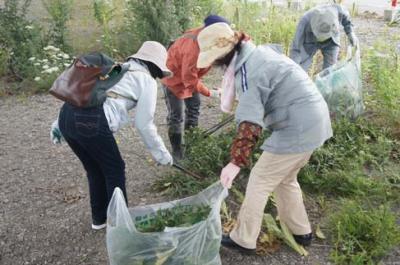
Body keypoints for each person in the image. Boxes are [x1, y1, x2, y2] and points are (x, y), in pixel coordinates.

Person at [196, 23, 333, 254]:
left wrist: (235, 162)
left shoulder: (249, 71)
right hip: (315, 120)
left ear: (222, 55)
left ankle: (243, 239)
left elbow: (250, 122)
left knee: (259, 180)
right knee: (285, 179)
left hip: (297, 127)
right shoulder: (258, 53)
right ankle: (301, 231)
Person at [50, 41, 173, 230]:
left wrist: (58, 124)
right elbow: (144, 124)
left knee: (94, 169)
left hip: (65, 115)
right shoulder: (146, 80)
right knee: (114, 169)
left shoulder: (116, 69)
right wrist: (161, 154)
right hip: (92, 121)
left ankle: (99, 220)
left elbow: (84, 93)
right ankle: (119, 225)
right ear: (156, 65)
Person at [161, 15, 229, 160]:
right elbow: (189, 78)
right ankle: (177, 152)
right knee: (176, 115)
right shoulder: (192, 47)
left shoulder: (210, 40)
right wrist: (209, 92)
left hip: (188, 76)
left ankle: (192, 147)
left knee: (194, 108)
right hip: (173, 79)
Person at [290, 3, 358, 72]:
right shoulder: (305, 20)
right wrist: (294, 68)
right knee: (300, 69)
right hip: (310, 42)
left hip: (331, 41)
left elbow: (346, 19)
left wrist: (350, 32)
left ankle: (325, 81)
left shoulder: (338, 10)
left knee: (329, 71)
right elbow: (296, 47)